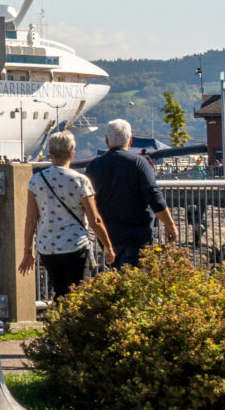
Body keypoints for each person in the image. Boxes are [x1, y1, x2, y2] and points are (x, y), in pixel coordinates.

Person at [20, 131, 111, 302]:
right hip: (74, 244)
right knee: (77, 294)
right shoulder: (81, 180)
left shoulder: (36, 181)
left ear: (50, 154)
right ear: (72, 154)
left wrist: (27, 251)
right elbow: (95, 220)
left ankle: (60, 324)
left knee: (60, 292)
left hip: (47, 246)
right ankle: (72, 326)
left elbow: (31, 220)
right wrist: (108, 246)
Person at [82, 120, 177, 268]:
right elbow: (154, 196)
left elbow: (88, 201)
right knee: (134, 278)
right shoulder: (139, 163)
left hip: (108, 234)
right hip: (137, 234)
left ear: (106, 140)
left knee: (116, 277)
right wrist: (169, 224)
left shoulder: (94, 166)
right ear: (130, 140)